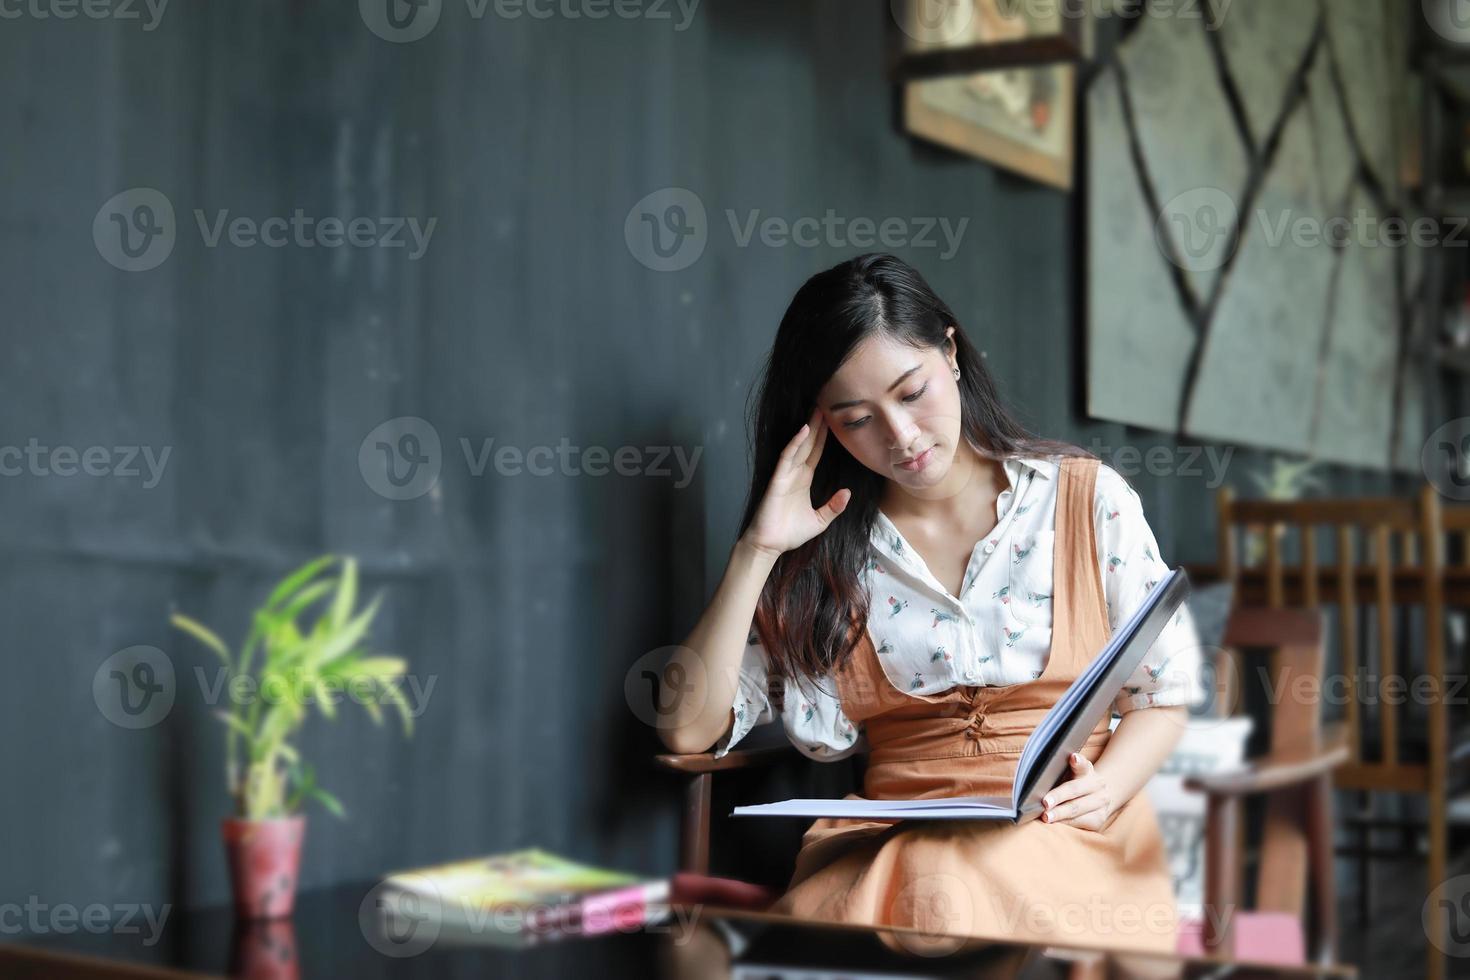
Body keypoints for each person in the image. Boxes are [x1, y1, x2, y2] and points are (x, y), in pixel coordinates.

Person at [658, 253, 1204, 954]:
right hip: (893, 840)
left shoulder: (1082, 501)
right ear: (822, 427)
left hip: (1069, 832)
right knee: (919, 887)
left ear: (950, 352)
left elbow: (1166, 691)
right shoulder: (828, 552)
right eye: (857, 419)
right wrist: (757, 551)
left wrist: (1109, 788)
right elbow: (683, 731)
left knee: (941, 893)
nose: (902, 438)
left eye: (911, 392)